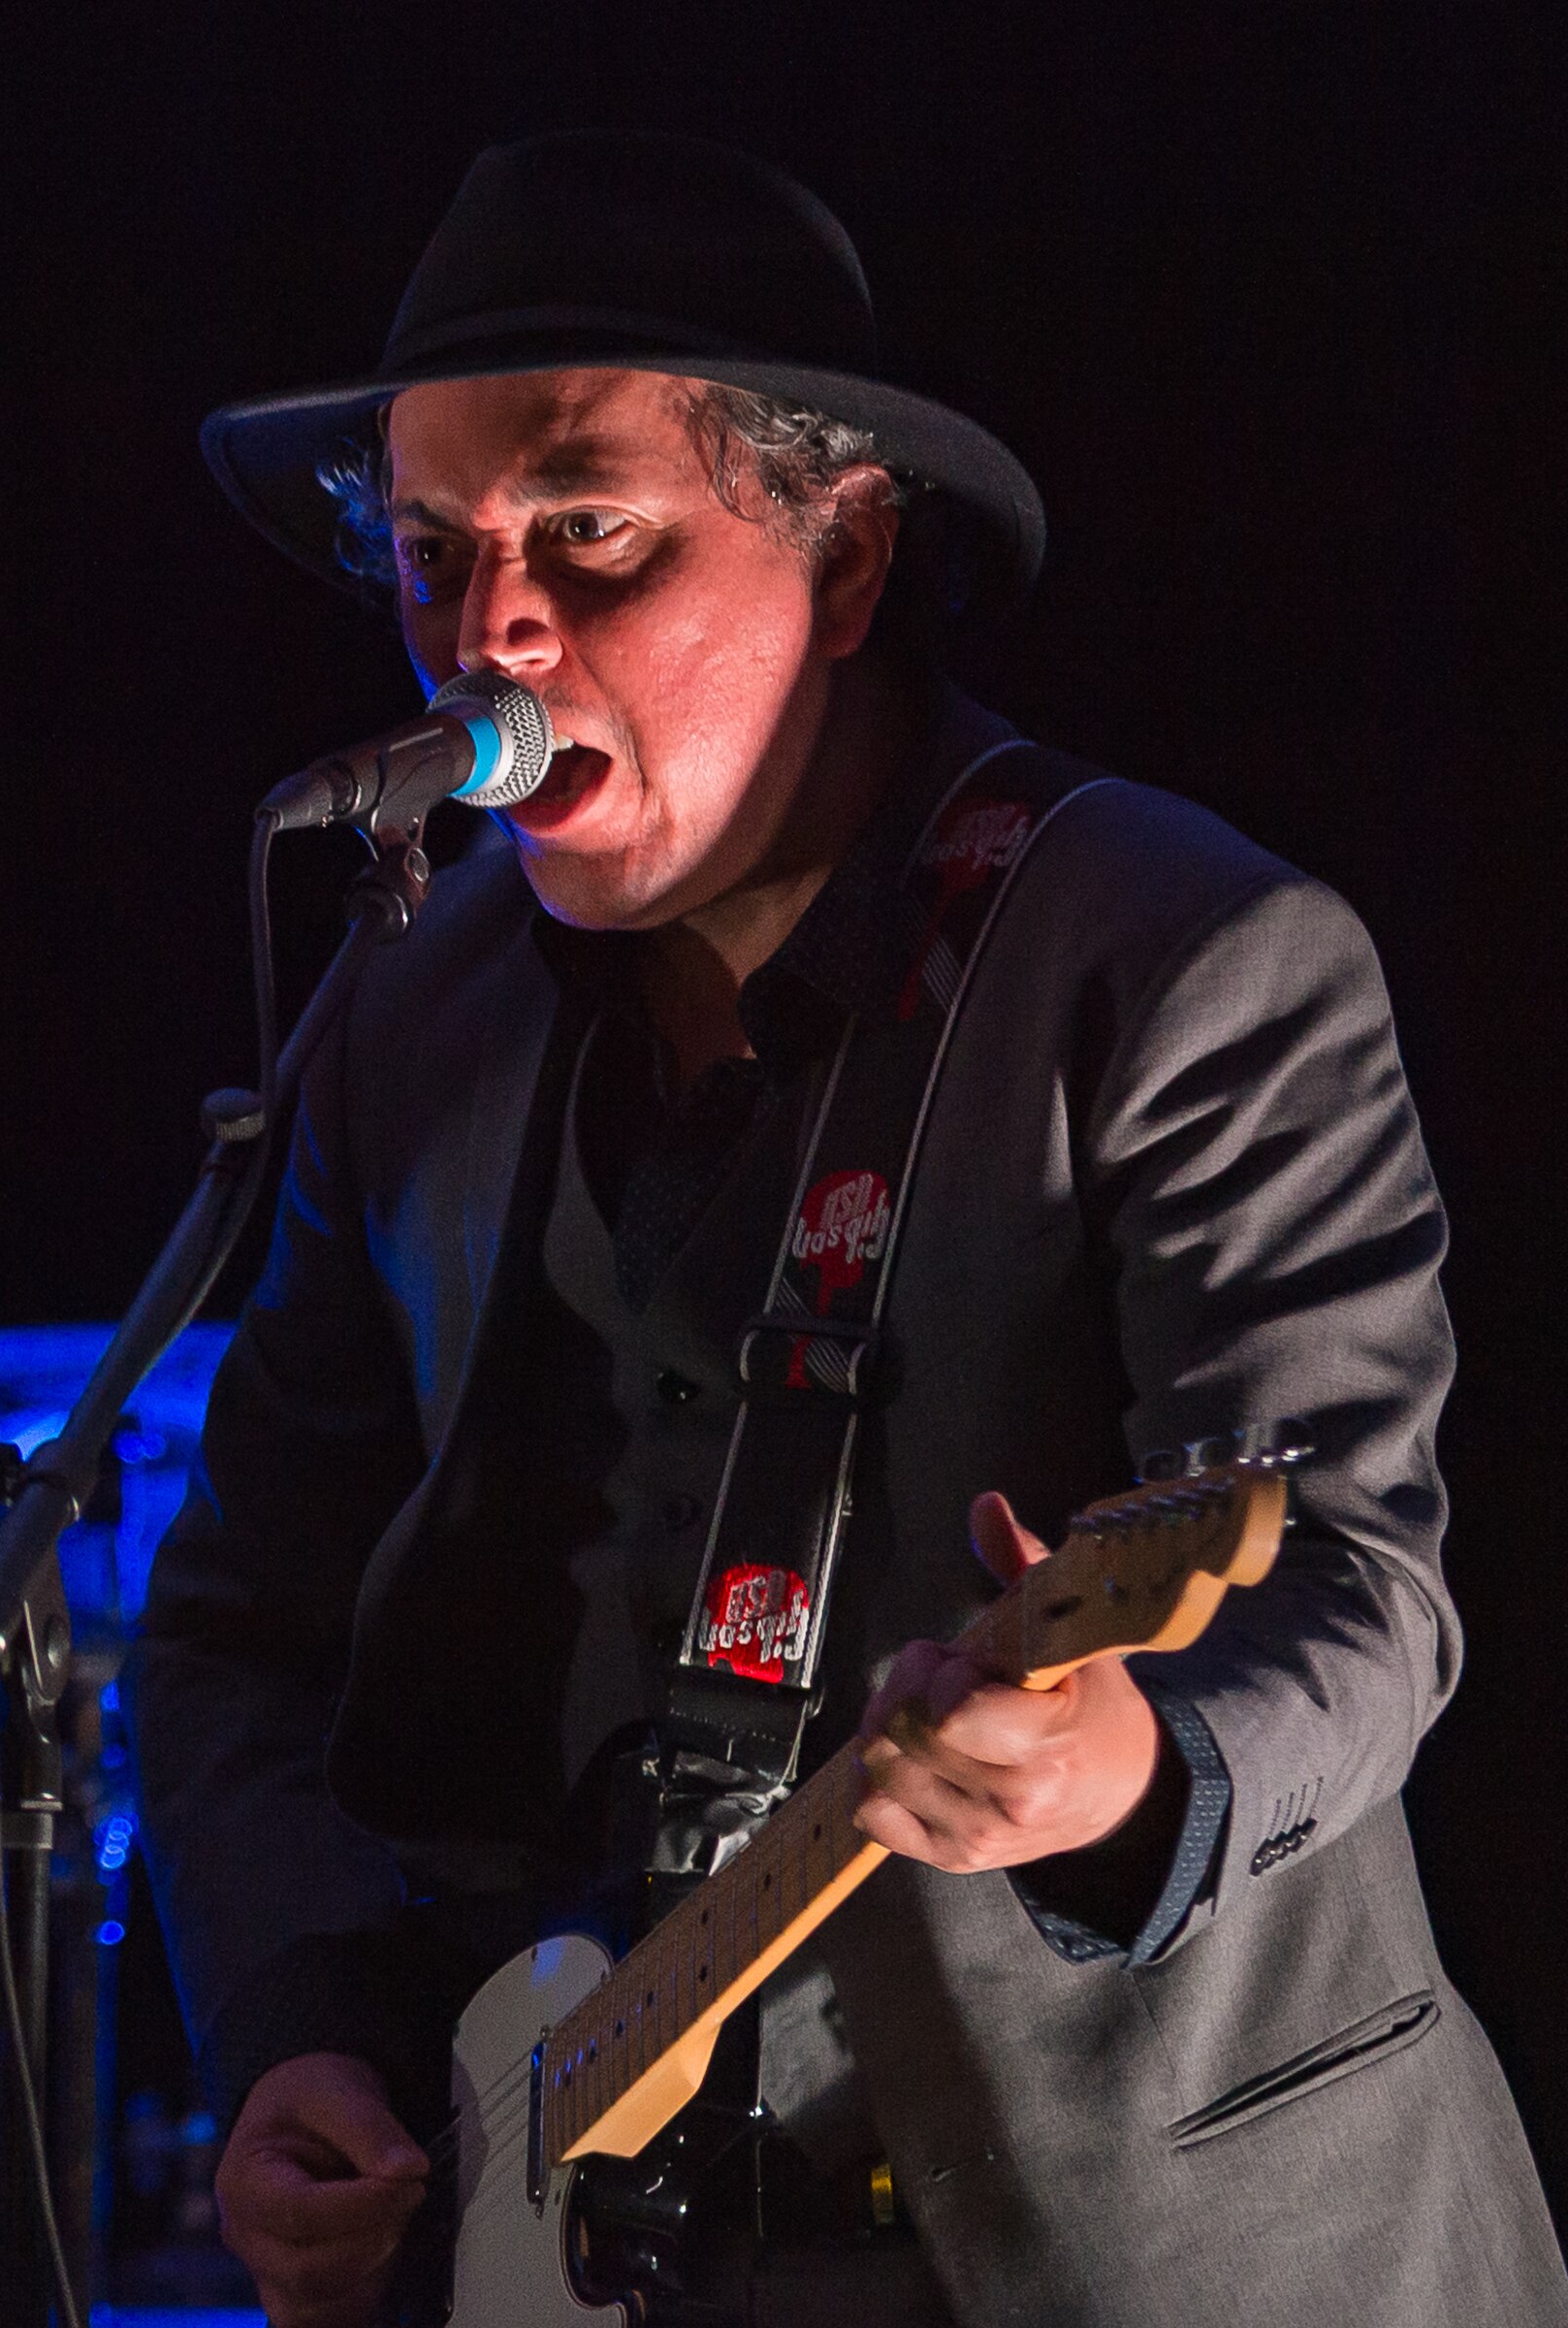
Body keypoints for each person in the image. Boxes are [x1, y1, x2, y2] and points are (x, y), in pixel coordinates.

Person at [128, 134, 1566, 2326]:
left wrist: (1128, 1770)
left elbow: (1355, 1582)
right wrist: (294, 2031)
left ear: (850, 557)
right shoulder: (404, 1017)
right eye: (432, 553)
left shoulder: (1185, 962)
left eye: (587, 532)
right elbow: (242, 1627)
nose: (487, 630)